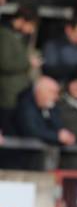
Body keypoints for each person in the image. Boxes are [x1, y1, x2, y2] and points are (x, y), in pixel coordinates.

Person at [0, 7, 39, 135]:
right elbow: (4, 63)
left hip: (18, 93)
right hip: (8, 95)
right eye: (31, 25)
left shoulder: (17, 36)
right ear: (22, 20)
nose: (31, 30)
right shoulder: (4, 35)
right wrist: (28, 62)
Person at [15, 76, 75, 146]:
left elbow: (56, 124)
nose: (56, 97)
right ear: (40, 91)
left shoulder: (48, 106)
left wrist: (64, 134)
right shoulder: (25, 106)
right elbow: (31, 131)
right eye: (53, 92)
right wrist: (57, 136)